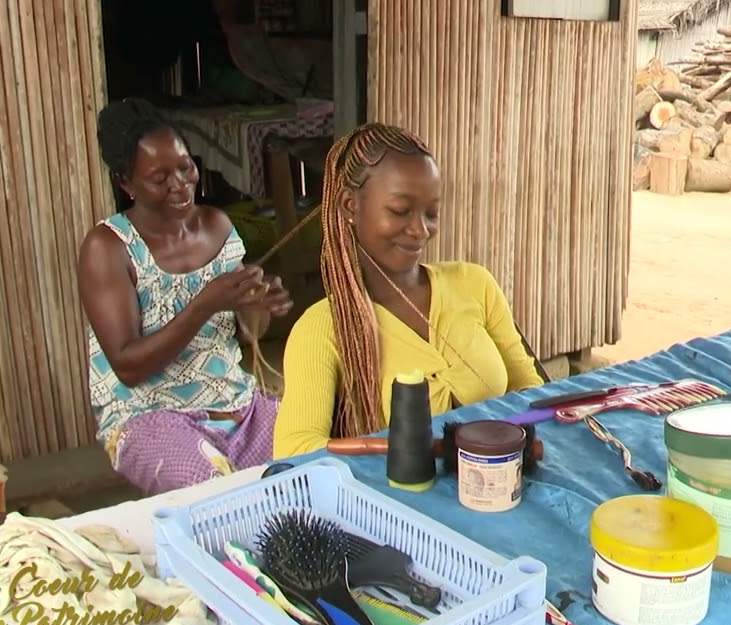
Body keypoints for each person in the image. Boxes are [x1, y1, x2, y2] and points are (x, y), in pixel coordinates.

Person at [272, 123, 546, 458]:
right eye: (400, 211)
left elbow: (530, 394)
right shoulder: (323, 329)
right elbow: (296, 451)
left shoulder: (474, 284)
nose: (420, 230)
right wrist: (434, 449)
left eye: (431, 214)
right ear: (349, 205)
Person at [79, 97, 293, 494]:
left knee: (301, 463)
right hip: (149, 416)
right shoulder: (108, 247)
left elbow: (249, 333)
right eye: (160, 179)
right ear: (126, 184)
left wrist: (258, 304)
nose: (180, 185)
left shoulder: (217, 225)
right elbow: (127, 366)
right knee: (213, 493)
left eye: (185, 167)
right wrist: (204, 304)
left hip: (237, 405)